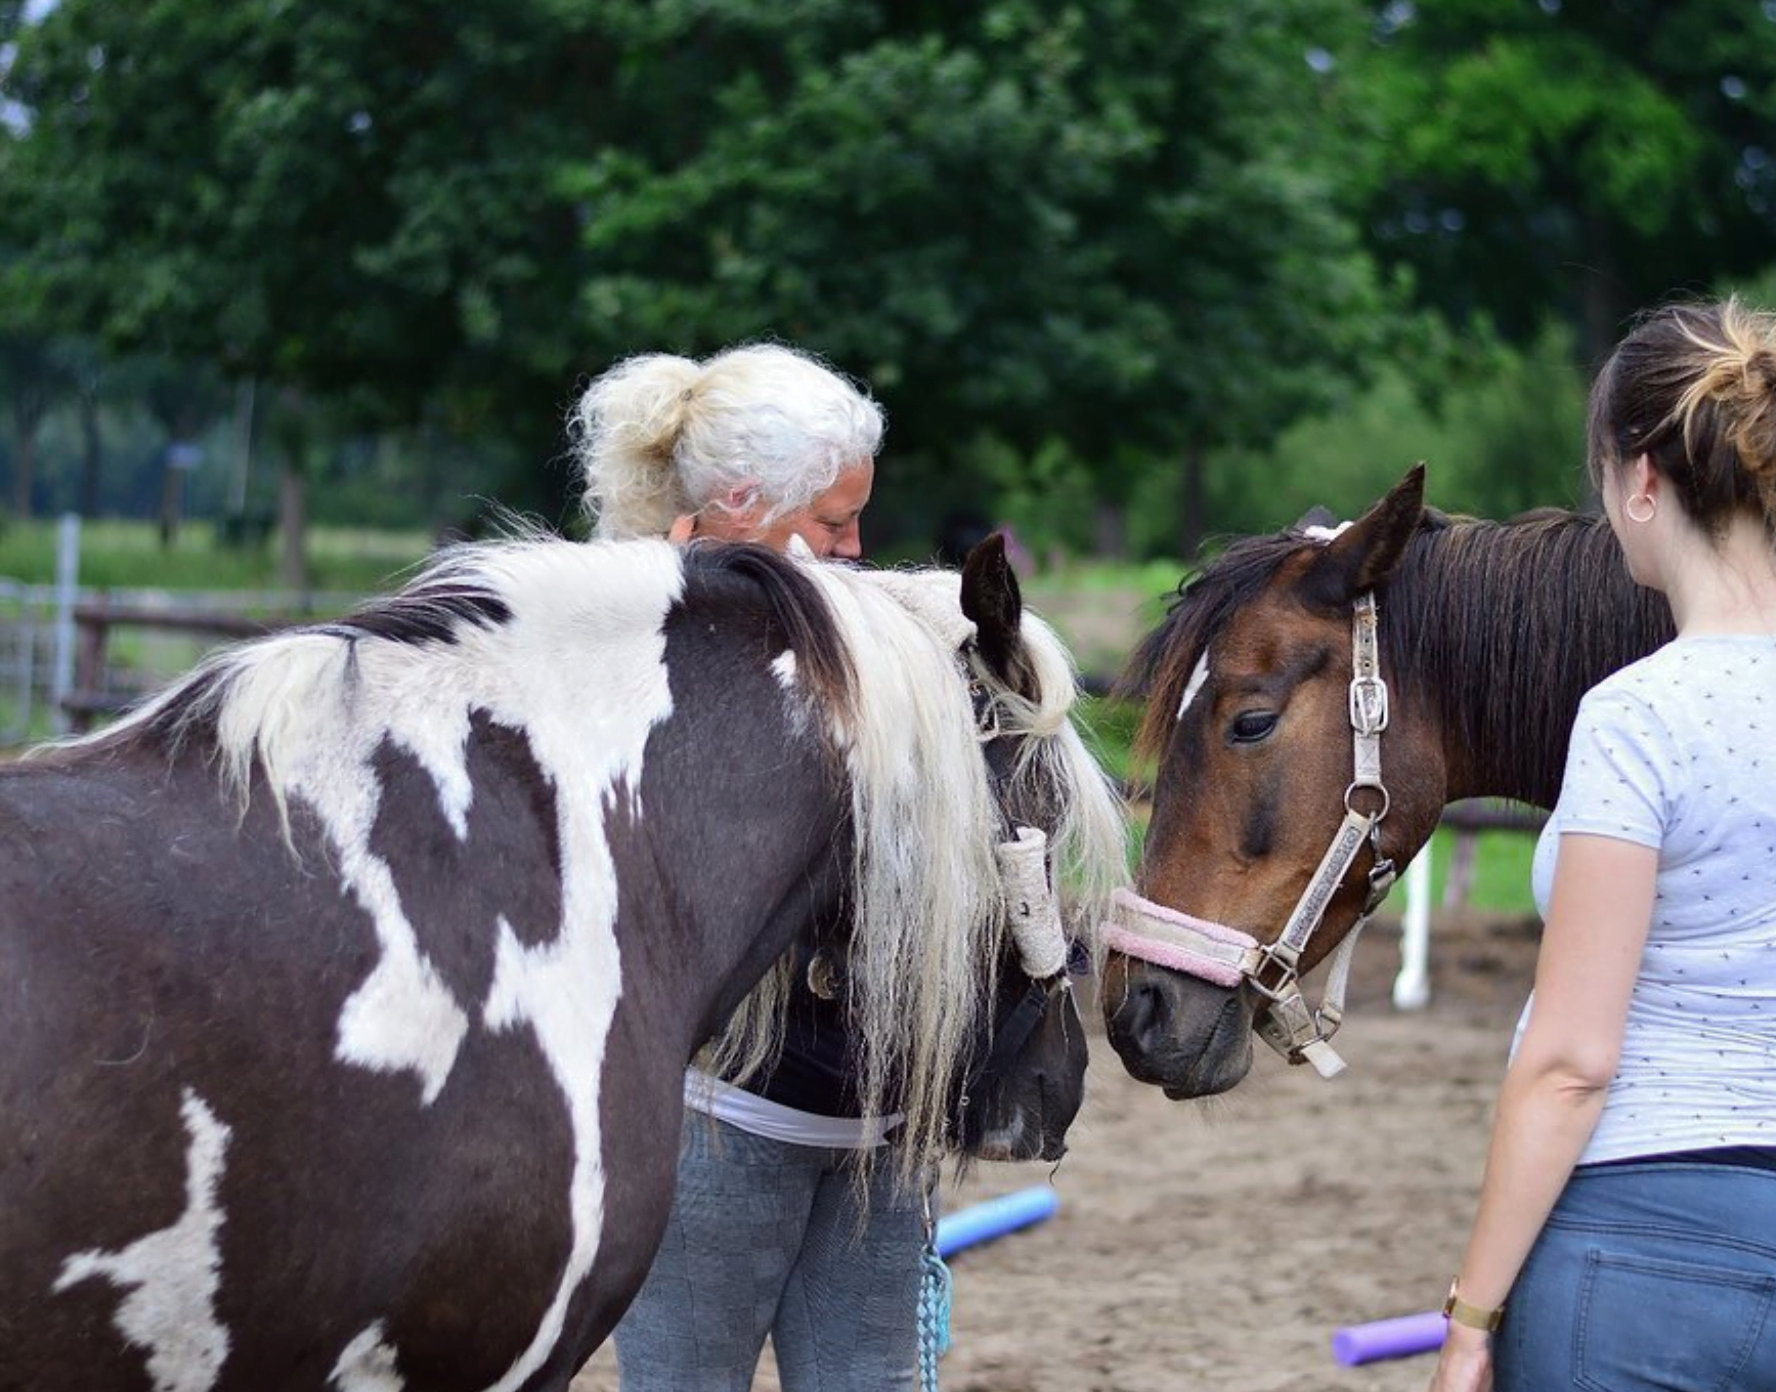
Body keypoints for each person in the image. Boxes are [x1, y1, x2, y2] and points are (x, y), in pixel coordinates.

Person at [1430, 297, 1776, 1392]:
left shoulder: (1639, 716)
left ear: (1643, 481)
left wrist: (1471, 1316)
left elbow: (1572, 1063)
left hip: (1637, 1245)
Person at [571, 342, 927, 1391]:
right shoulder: (626, 651)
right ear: (739, 505)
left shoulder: (861, 644)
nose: (857, 550)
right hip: (716, 1119)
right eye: (833, 524)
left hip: (875, 1119)